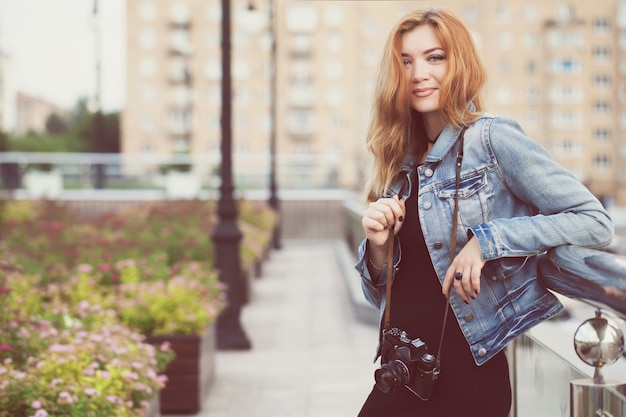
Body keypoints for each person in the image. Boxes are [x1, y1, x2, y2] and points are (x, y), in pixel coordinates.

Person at [355, 7, 614, 417]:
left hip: (466, 379)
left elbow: (594, 221)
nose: (418, 72)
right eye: (406, 61)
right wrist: (378, 248)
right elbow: (378, 295)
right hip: (401, 371)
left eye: (434, 57)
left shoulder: (491, 138)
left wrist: (488, 241)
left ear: (459, 63)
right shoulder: (399, 159)